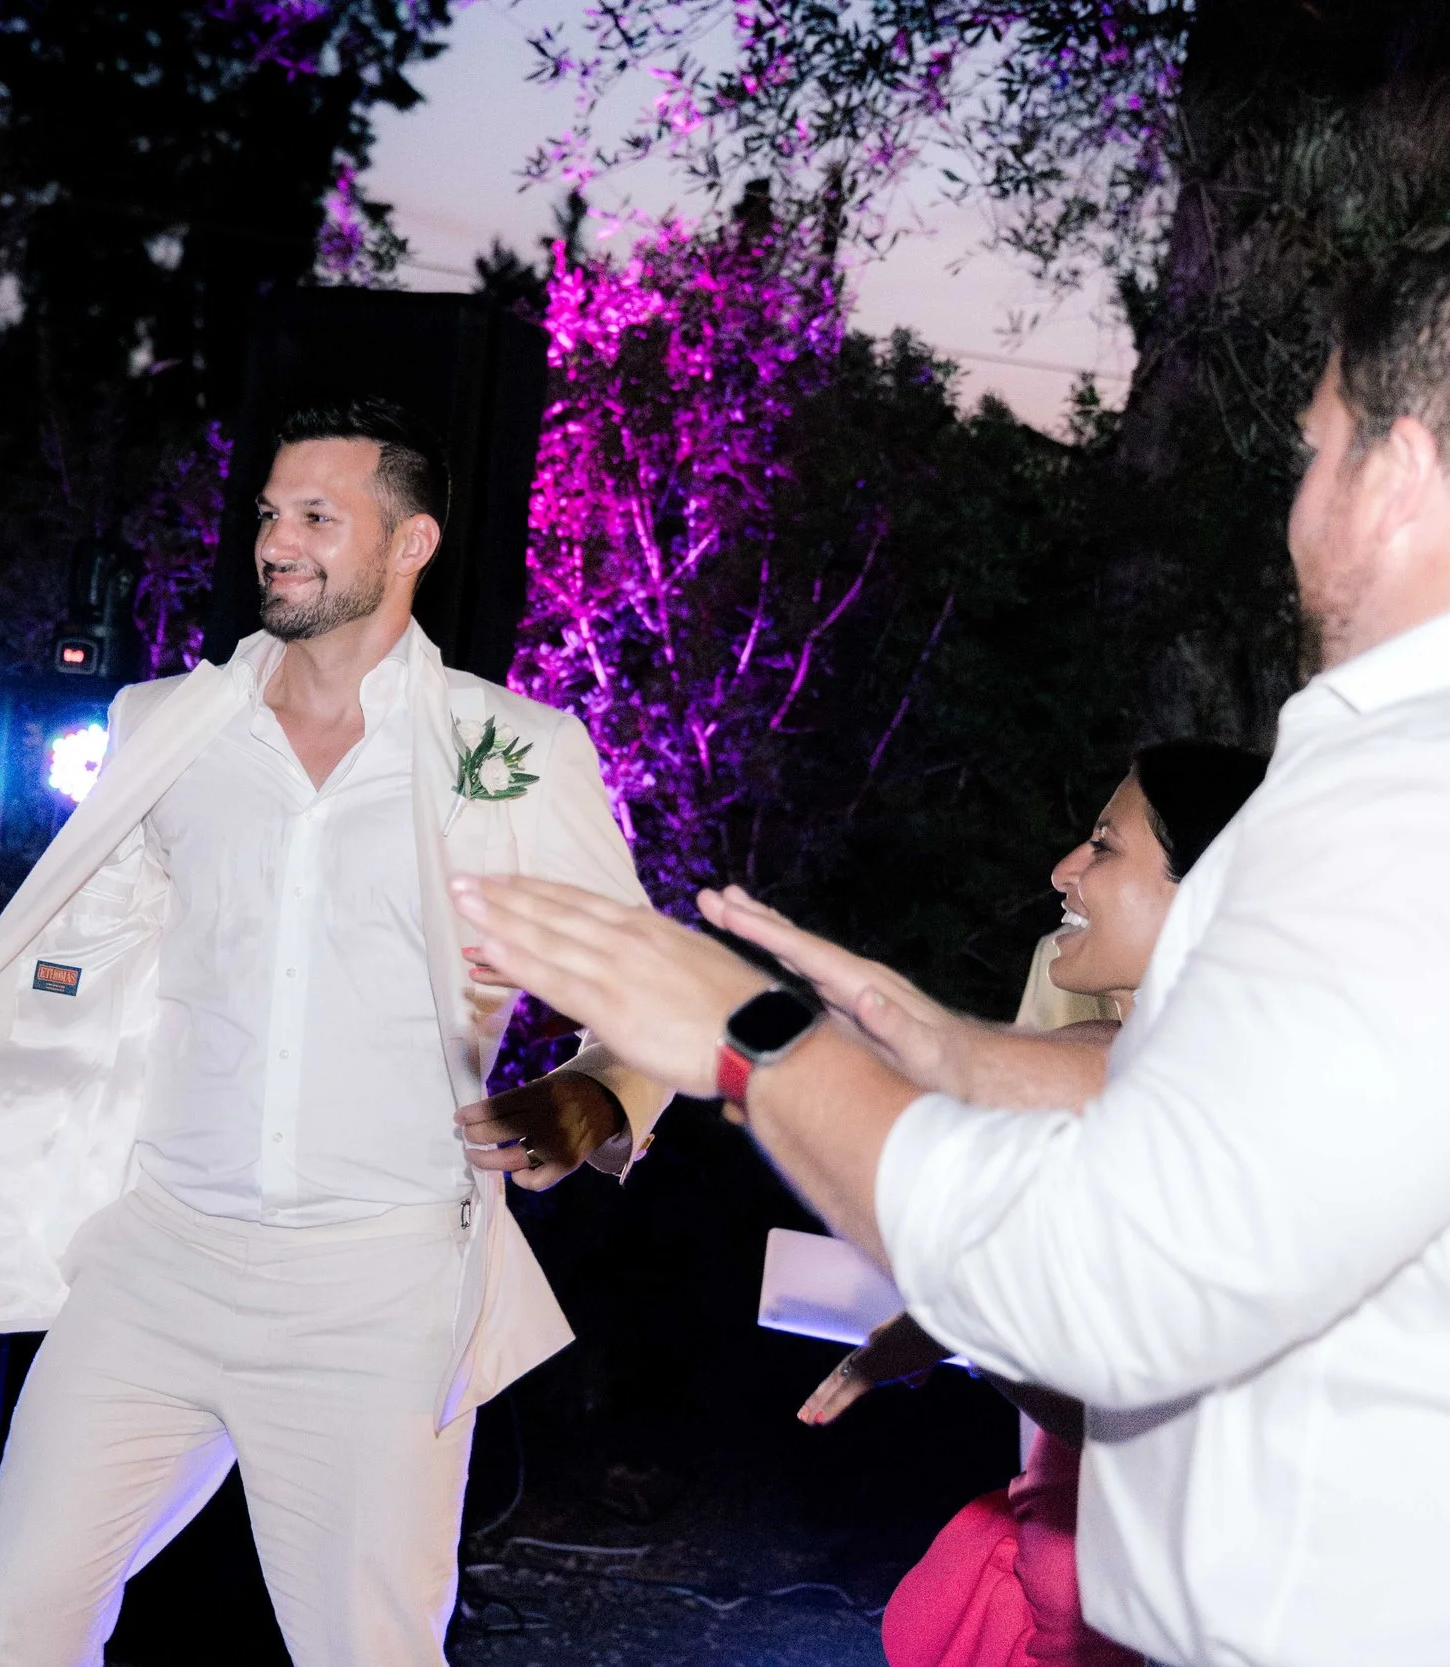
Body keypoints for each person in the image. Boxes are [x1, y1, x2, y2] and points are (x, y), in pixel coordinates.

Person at [450, 241, 1450, 1665]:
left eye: (1314, 450)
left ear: (1396, 472)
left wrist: (755, 1039)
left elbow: (1122, 1271)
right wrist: (909, 1027)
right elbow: (1190, 1110)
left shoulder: (1402, 805)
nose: (1296, 504)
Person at [0, 398, 671, 1667]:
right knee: (14, 1616)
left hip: (375, 1289)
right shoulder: (170, 723)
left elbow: (650, 991)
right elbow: (74, 926)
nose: (277, 542)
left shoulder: (515, 749)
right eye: (271, 514)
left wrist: (594, 1096)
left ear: (410, 543)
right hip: (158, 1259)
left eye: (318, 517)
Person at [760, 742, 1265, 1667]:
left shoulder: (1218, 1094)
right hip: (1065, 1525)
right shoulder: (1096, 1028)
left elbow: (1166, 1438)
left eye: (1104, 846)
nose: (1063, 869)